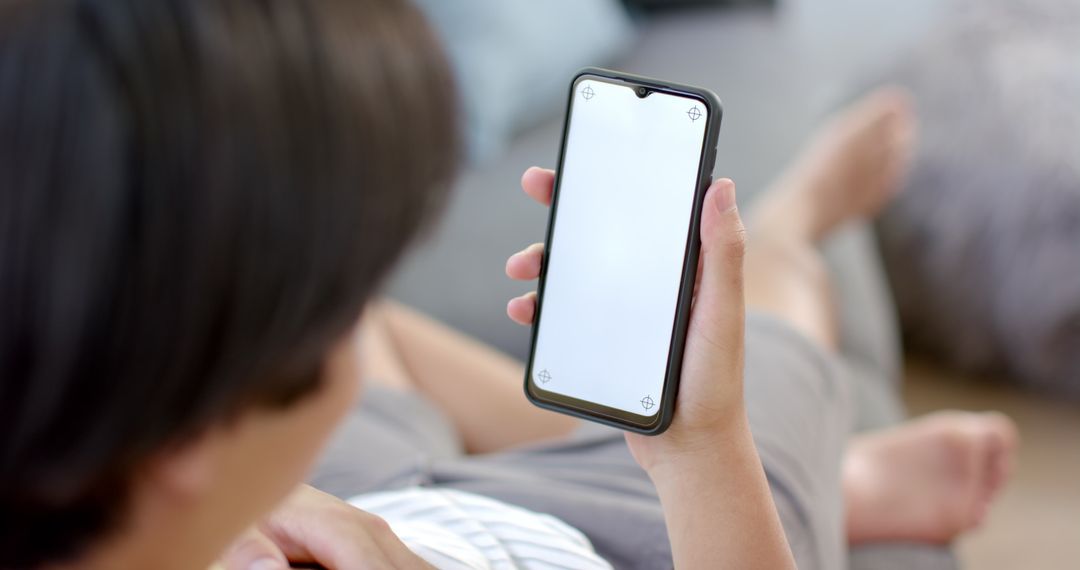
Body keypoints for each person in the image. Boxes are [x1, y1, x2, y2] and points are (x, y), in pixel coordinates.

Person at [0, 1, 1016, 569]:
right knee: (767, 347)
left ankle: (634, 425)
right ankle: (797, 235)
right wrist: (700, 447)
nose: (335, 324)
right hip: (618, 542)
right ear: (185, 438)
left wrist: (257, 513)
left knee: (382, 338)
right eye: (318, 313)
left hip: (385, 499)